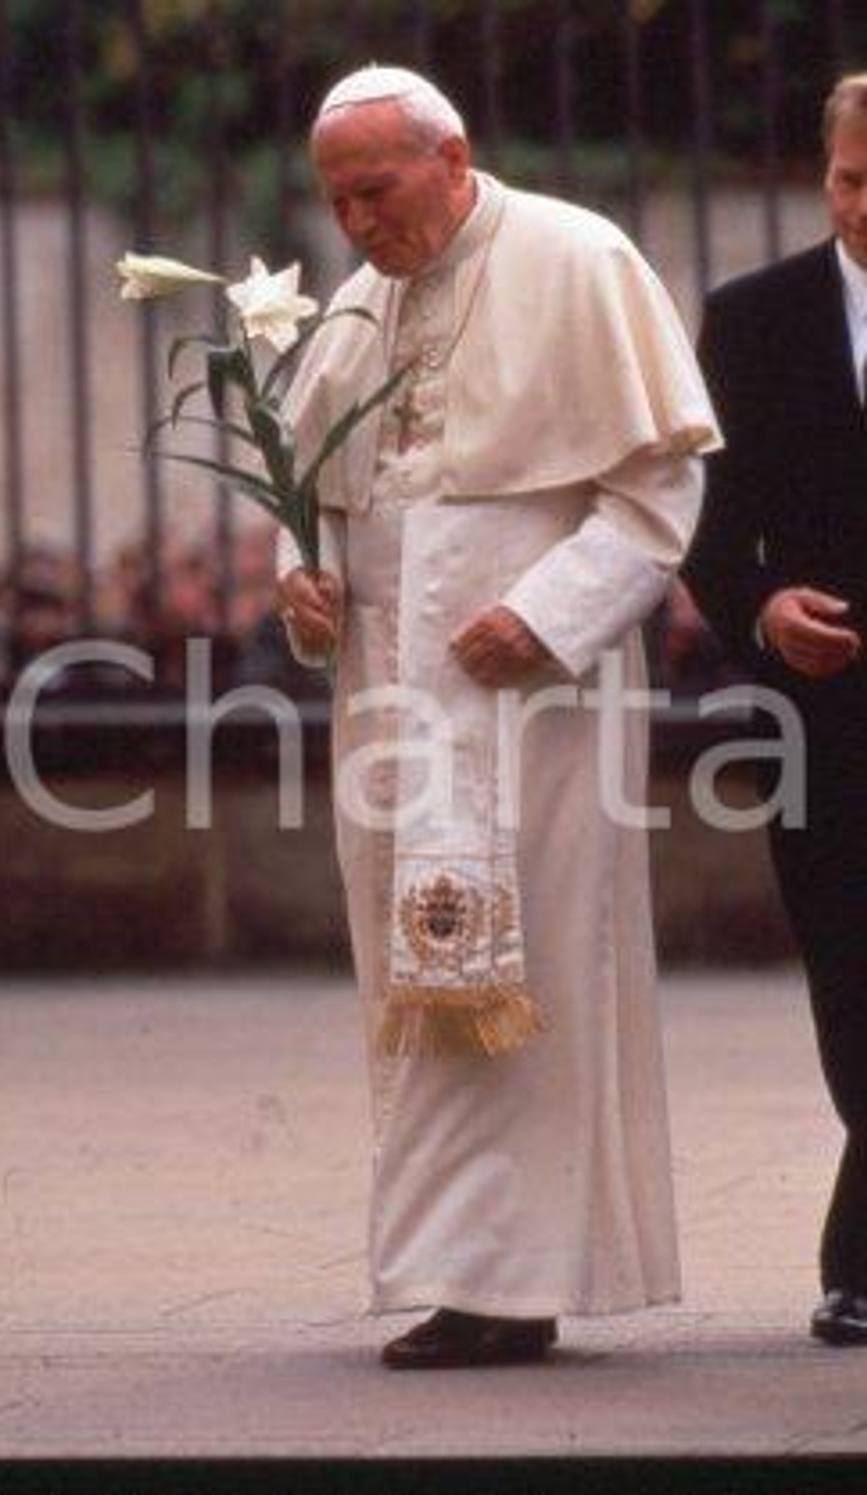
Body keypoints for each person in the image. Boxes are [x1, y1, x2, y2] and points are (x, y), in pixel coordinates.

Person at [277, 64, 720, 1369]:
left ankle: (517, 1279)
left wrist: (550, 611)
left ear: (452, 155)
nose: (358, 222)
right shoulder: (358, 309)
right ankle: (446, 1266)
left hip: (538, 701)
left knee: (529, 978)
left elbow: (654, 493)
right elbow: (321, 504)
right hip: (398, 713)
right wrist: (301, 577)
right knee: (419, 987)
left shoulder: (580, 259)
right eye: (339, 199)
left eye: (379, 188)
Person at [683, 74, 867, 1348]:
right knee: (851, 980)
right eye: (854, 180)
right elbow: (697, 522)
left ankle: (858, 1256)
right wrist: (761, 610)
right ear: (824, 173)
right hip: (823, 713)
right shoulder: (750, 320)